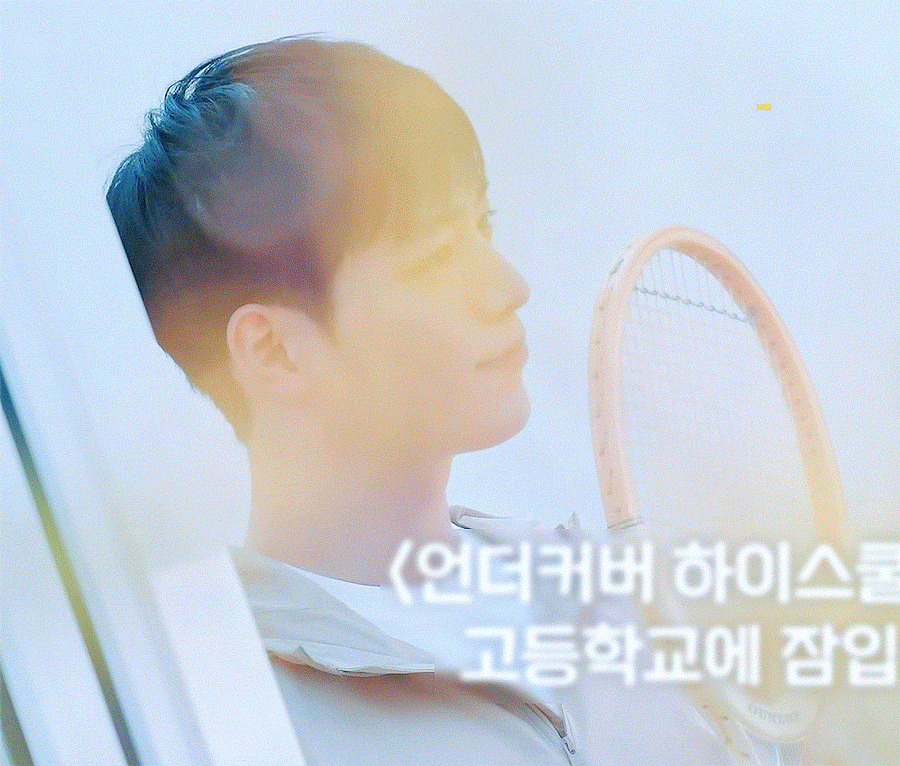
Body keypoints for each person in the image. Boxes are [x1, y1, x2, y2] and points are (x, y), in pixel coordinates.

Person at [106, 36, 732, 765]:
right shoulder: (214, 715)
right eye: (435, 257)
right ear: (273, 351)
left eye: (483, 227)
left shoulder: (613, 595)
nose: (508, 287)